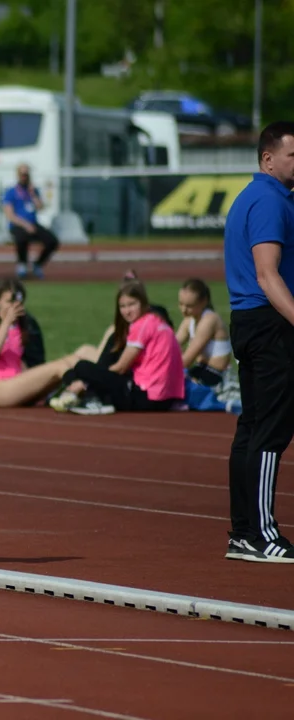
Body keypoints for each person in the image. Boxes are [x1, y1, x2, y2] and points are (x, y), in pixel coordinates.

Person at [222, 120, 294, 563]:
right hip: (269, 325)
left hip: (248, 322)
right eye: (293, 155)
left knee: (250, 429)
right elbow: (268, 275)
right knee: (270, 432)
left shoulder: (252, 196)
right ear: (268, 158)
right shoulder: (268, 201)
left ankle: (246, 532)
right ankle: (263, 533)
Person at [50, 280, 185, 415]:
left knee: (82, 367)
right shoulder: (159, 322)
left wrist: (89, 381)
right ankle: (84, 394)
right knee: (93, 371)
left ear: (143, 303)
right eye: (123, 306)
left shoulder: (142, 325)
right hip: (167, 398)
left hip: (147, 398)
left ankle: (89, 397)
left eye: (132, 304)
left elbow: (121, 367)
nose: (127, 311)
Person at [0, 277, 96, 408]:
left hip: (17, 386)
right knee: (58, 366)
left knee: (75, 358)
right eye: (9, 301)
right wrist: (6, 321)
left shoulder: (19, 327)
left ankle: (102, 385)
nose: (14, 306)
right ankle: (81, 390)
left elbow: (16, 363)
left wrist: (35, 380)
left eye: (17, 302)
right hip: (1, 388)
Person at [2, 163, 60, 280]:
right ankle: (22, 264)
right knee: (21, 237)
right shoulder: (11, 192)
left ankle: (37, 265)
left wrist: (33, 194)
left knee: (52, 241)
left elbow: (40, 207)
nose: (25, 177)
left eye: (27, 174)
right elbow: (10, 215)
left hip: (33, 224)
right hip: (18, 224)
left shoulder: (33, 191)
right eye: (22, 174)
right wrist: (25, 225)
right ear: (18, 175)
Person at [175, 278, 232, 385]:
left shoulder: (209, 320)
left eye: (189, 306)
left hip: (217, 375)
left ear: (204, 301)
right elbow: (172, 345)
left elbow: (187, 360)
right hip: (201, 369)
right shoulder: (189, 320)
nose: (183, 310)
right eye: (181, 304)